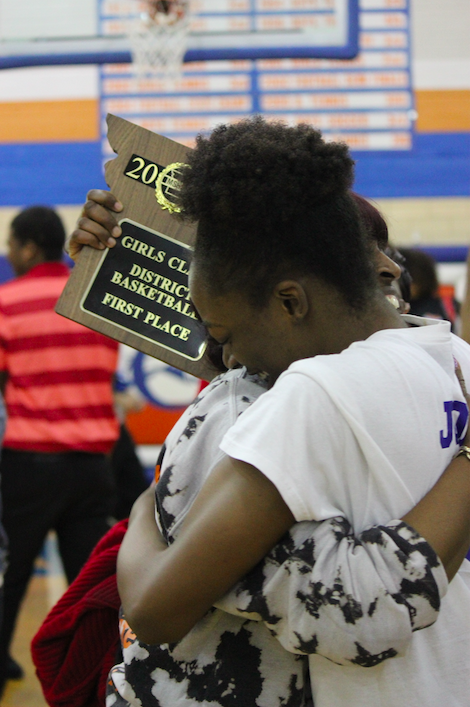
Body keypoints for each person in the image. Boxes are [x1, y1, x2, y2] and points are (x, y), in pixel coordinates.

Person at [69, 179, 470, 707]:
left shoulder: (347, 380)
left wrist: (146, 505)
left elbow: (365, 607)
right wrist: (123, 251)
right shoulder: (265, 398)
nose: (229, 354)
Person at [0, 206, 120, 693]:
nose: (9, 255)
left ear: (29, 247)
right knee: (89, 586)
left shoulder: (7, 302)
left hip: (30, 463)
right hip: (94, 465)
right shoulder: (91, 299)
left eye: (11, 245)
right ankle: (97, 674)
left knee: (13, 572)